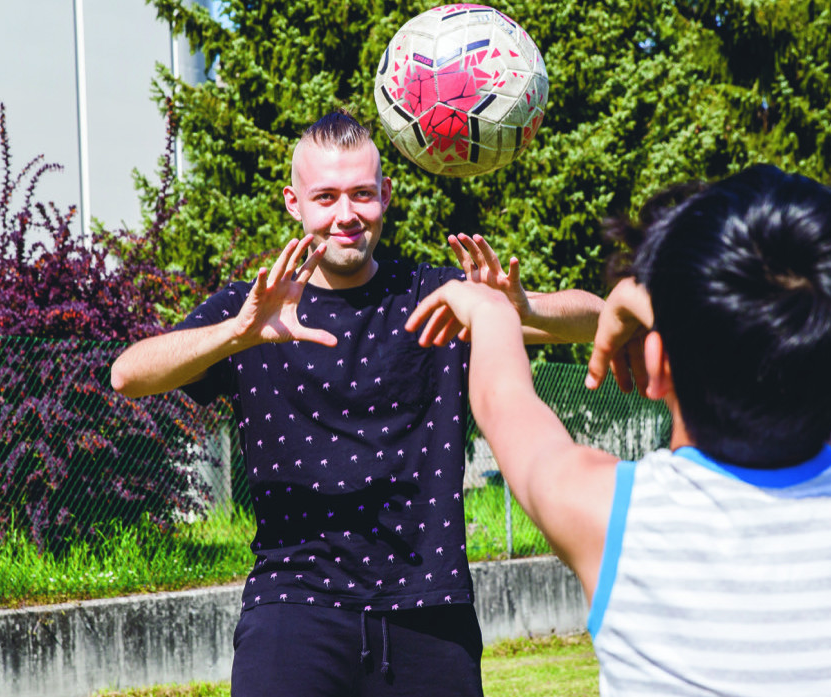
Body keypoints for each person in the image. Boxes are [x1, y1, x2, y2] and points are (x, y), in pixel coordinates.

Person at [110, 109, 603, 696]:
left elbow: (597, 321)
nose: (346, 215)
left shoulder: (438, 298)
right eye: (326, 197)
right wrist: (237, 334)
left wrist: (520, 309)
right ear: (294, 202)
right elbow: (127, 375)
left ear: (385, 195)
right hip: (292, 607)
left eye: (362, 194)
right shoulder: (256, 309)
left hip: (430, 605)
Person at [406, 164, 831, 695]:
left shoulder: (619, 520)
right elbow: (808, 396)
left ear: (657, 365)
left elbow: (502, 400)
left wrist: (491, 308)